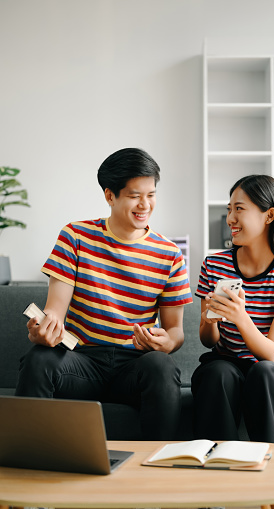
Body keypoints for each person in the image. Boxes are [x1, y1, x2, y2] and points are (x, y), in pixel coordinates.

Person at [15, 147, 192, 440]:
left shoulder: (169, 254)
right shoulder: (75, 237)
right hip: (81, 362)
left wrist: (166, 342)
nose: (145, 205)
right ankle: (27, 461)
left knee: (161, 366)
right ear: (110, 195)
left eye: (151, 194)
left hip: (135, 366)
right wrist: (43, 330)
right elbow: (55, 312)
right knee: (38, 359)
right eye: (135, 195)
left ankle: (160, 469)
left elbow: (175, 331)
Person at [191, 174, 274, 446]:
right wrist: (210, 319)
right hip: (225, 363)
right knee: (218, 373)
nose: (230, 218)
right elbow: (208, 341)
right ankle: (218, 466)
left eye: (239, 209)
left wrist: (240, 317)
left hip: (273, 368)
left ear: (269, 215)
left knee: (262, 373)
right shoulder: (213, 265)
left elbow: (270, 353)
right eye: (229, 209)